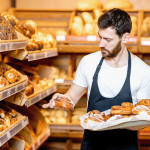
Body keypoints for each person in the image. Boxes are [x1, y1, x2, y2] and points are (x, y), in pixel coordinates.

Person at [43, 8, 150, 150]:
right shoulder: (88, 62)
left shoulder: (143, 71)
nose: (101, 44)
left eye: (108, 39)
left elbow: (142, 117)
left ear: (125, 38)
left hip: (125, 146)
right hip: (91, 145)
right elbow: (73, 96)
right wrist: (62, 100)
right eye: (100, 37)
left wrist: (115, 121)